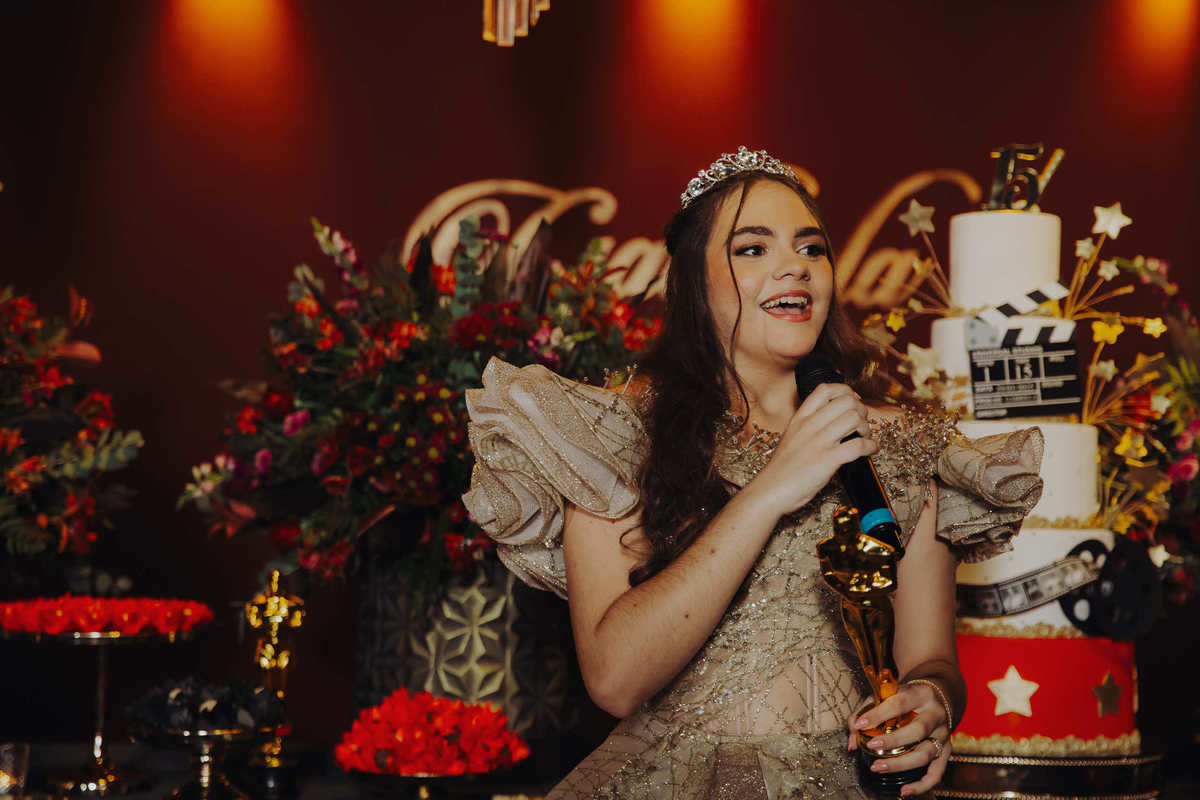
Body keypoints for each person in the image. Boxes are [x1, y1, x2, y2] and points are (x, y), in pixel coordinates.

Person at [463, 147, 1045, 798]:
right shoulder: (614, 432)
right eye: (752, 248)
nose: (794, 265)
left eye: (811, 247)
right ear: (694, 282)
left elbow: (931, 657)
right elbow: (615, 679)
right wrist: (773, 487)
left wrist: (931, 701)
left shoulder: (903, 443)